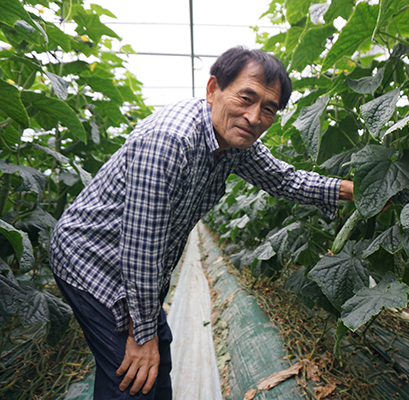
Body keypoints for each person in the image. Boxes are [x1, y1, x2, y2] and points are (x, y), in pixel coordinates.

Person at [49, 46, 354, 399]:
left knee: (151, 359)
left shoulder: (236, 141)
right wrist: (141, 335)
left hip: (131, 258)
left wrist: (353, 190)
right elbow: (141, 249)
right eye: (246, 97)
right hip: (91, 258)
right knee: (135, 377)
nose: (254, 117)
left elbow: (284, 179)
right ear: (213, 90)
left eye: (268, 109)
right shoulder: (169, 141)